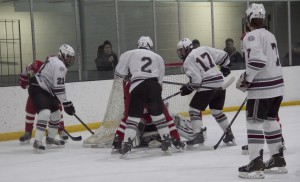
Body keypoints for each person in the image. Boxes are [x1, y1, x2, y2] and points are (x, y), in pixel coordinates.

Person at [236, 3, 287, 179]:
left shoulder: (250, 36)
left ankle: (256, 163)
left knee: (254, 123)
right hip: (277, 87)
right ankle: (277, 160)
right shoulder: (270, 35)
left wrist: (246, 79)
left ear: (249, 19)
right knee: (270, 122)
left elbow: (257, 61)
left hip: (262, 89)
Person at [115, 36, 171, 158]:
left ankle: (127, 145)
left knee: (133, 117)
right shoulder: (158, 57)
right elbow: (160, 81)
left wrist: (129, 76)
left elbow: (119, 73)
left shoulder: (129, 53)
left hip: (138, 86)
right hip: (154, 86)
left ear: (139, 44)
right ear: (150, 46)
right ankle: (167, 141)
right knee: (158, 116)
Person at [176, 38, 234, 148]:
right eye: (179, 51)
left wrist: (188, 88)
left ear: (188, 48)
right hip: (220, 83)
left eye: (182, 50)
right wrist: (226, 67)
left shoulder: (188, 60)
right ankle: (229, 134)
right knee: (217, 111)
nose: (180, 53)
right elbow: (225, 55)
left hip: (208, 86)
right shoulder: (204, 48)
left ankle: (198, 135)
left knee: (193, 110)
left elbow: (196, 81)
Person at [111, 80, 185, 152]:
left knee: (130, 117)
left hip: (138, 86)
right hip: (145, 86)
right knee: (163, 115)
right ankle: (175, 139)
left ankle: (117, 141)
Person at [28, 44, 76, 153]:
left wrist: (66, 103)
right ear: (62, 54)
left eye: (71, 57)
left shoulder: (55, 60)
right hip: (37, 88)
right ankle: (37, 141)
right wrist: (66, 103)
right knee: (45, 112)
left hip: (46, 89)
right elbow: (58, 88)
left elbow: (55, 86)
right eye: (68, 56)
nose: (70, 59)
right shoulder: (60, 65)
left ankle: (50, 138)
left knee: (56, 114)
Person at [18, 60, 68, 144]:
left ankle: (61, 130)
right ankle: (28, 132)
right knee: (30, 108)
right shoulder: (34, 65)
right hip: (37, 92)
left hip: (49, 93)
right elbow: (23, 77)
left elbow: (58, 84)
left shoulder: (56, 68)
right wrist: (24, 83)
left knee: (57, 109)